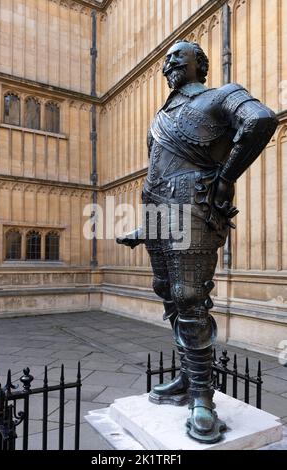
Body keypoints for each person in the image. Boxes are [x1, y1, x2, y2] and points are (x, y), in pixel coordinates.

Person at [117, 40, 278, 444]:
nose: (168, 62)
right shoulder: (162, 115)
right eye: (167, 57)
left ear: (198, 65)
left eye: (178, 56)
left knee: (188, 296)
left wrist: (226, 177)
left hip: (195, 205)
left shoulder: (220, 95)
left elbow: (260, 120)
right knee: (167, 293)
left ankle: (203, 399)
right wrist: (145, 226)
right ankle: (188, 379)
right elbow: (159, 170)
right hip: (157, 211)